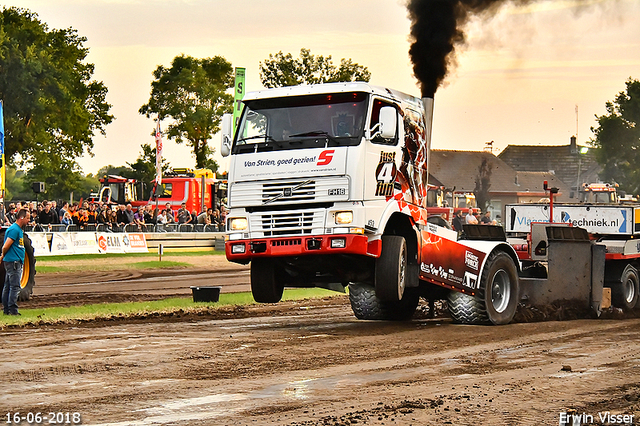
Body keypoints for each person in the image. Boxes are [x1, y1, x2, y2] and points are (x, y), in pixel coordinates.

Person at [1, 208, 30, 315]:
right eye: (28, 218)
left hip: (12, 261)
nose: (29, 221)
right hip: (14, 262)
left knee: (8, 286)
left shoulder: (17, 230)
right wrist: (3, 254)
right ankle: (12, 310)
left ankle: (6, 310)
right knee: (14, 287)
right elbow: (6, 246)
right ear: (21, 218)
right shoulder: (15, 230)